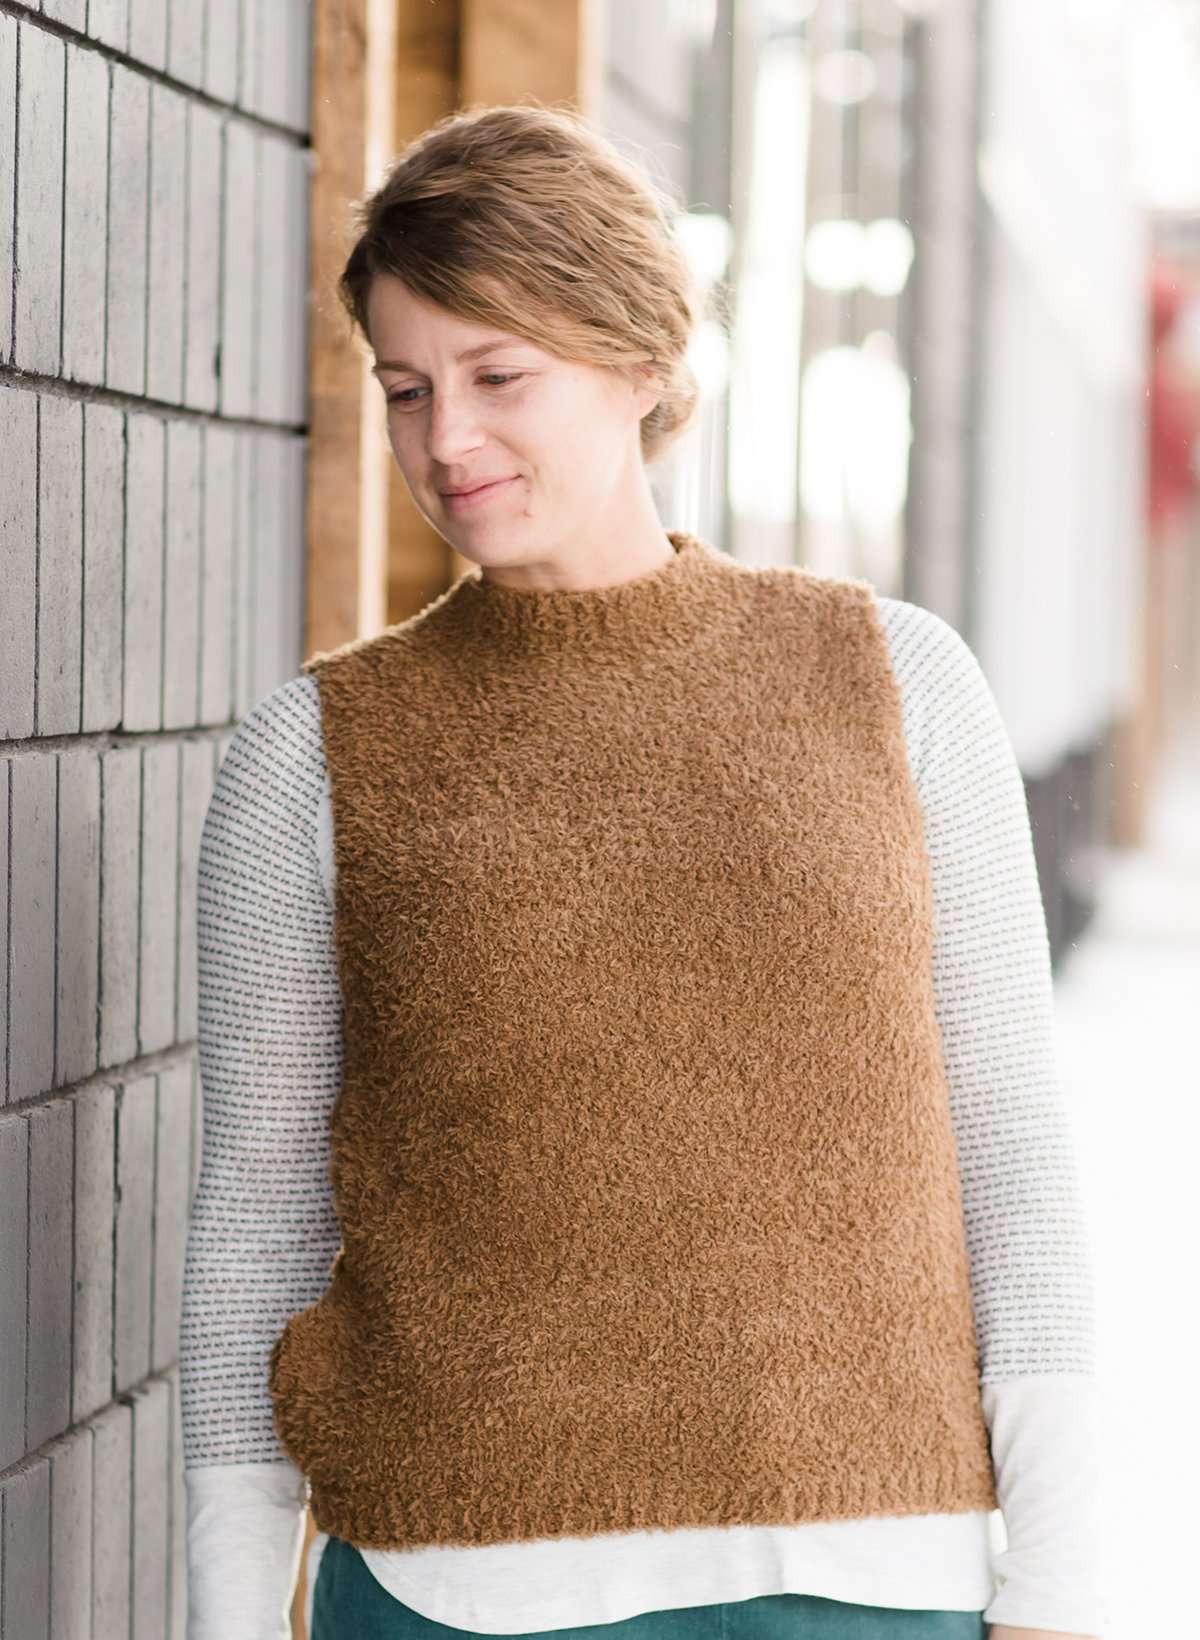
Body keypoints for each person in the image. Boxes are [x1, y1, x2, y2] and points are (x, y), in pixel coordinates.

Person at [179, 103, 1107, 1640]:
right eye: (406, 390)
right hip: (449, 1590)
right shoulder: (313, 754)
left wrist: (1067, 1586)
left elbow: (1008, 1145)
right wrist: (227, 1611)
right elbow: (258, 1221)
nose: (445, 441)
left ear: (643, 363)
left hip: (865, 1580)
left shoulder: (895, 683)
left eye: (498, 378)